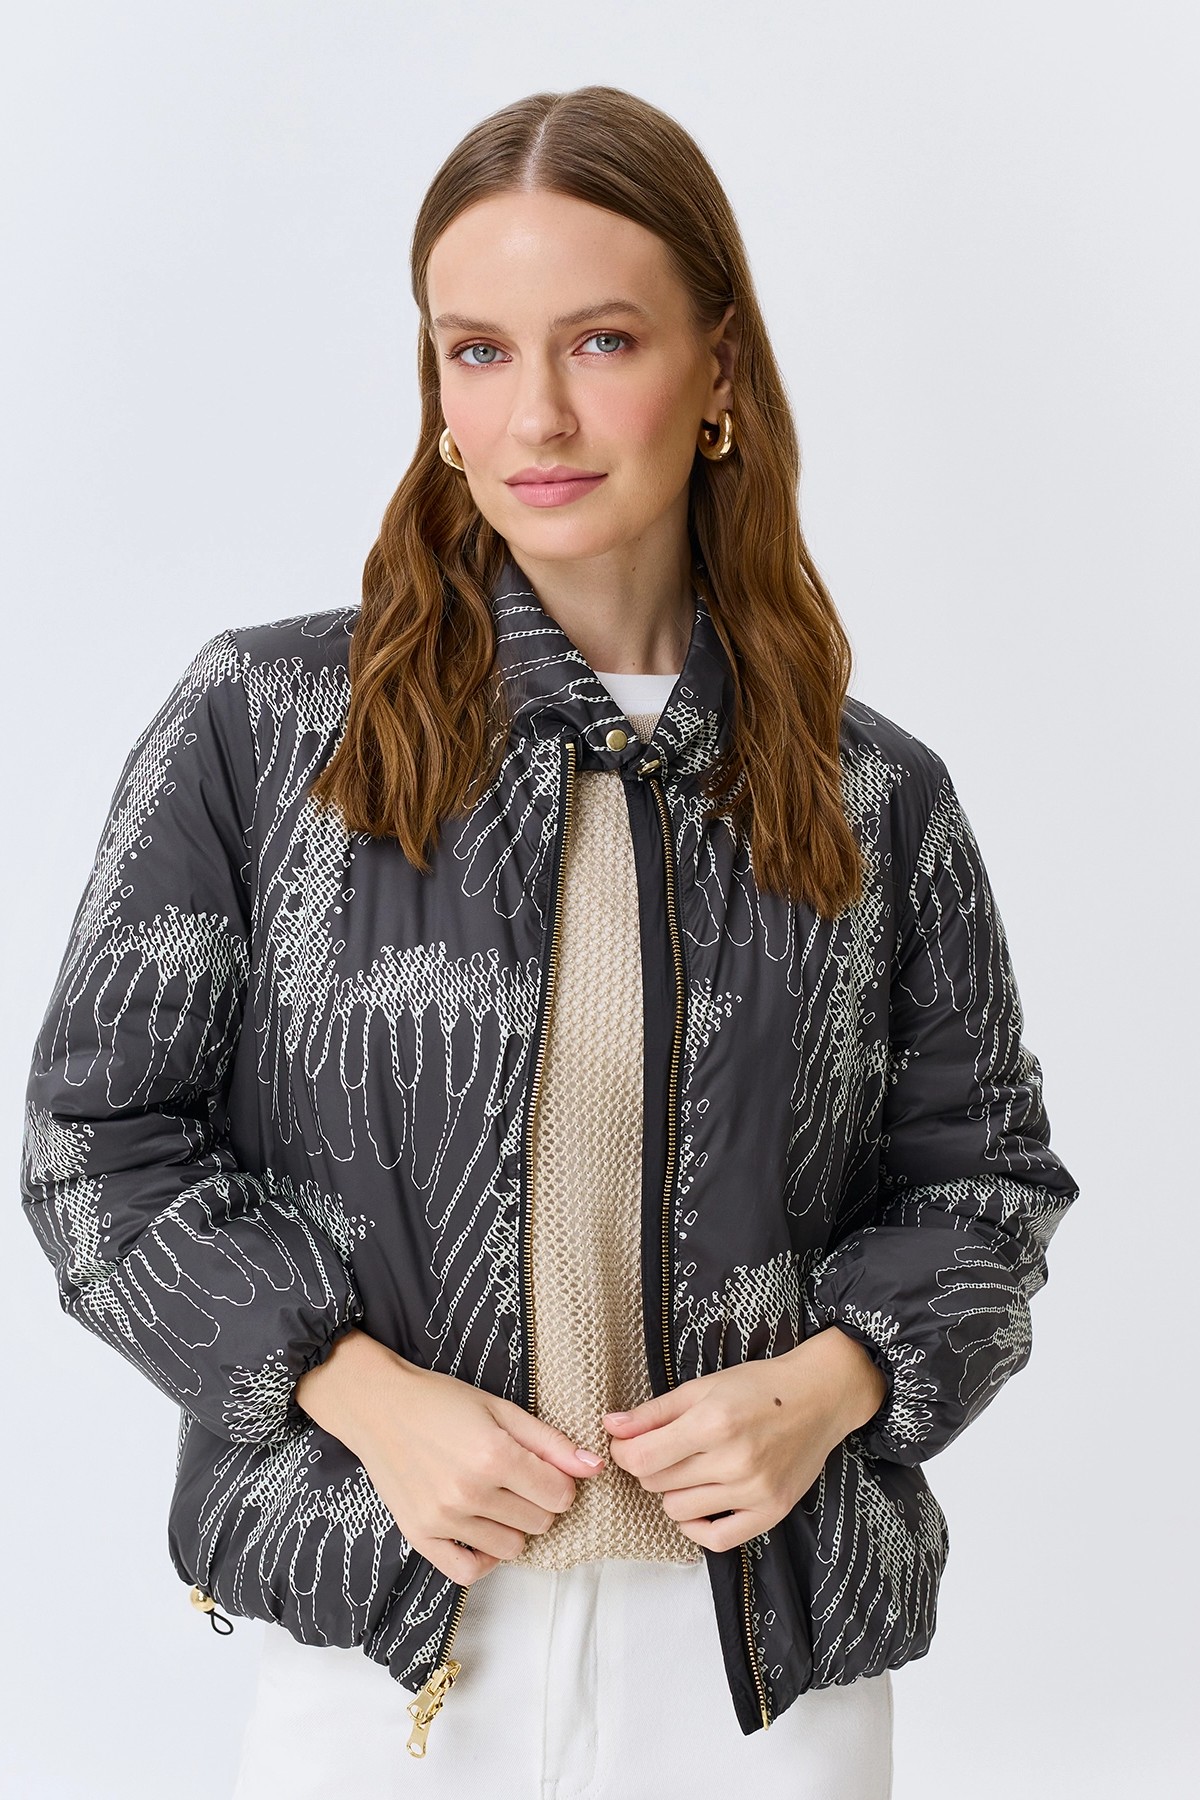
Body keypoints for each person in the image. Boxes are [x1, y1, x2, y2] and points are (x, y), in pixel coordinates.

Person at [19, 84, 1079, 1800]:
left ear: (720, 370)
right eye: (479, 351)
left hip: (761, 1666)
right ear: (435, 388)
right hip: (390, 1641)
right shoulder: (266, 727)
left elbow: (987, 1190)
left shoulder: (874, 798)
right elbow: (100, 1144)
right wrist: (357, 1392)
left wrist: (827, 1388)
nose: (540, 414)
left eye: (601, 340)